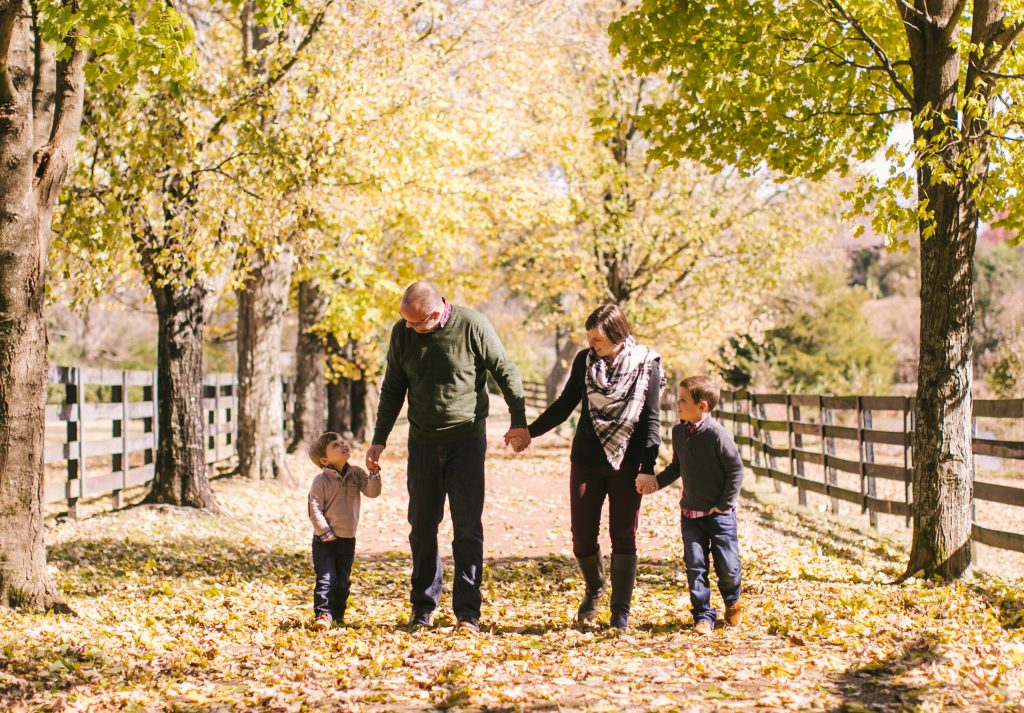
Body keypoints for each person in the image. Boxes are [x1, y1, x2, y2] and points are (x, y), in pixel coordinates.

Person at [366, 280, 530, 633]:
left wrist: (519, 422)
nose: (409, 328)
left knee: (467, 528)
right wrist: (379, 438)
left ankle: (468, 612)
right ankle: (423, 607)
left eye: (416, 322)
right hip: (422, 442)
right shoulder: (403, 333)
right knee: (422, 527)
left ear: (437, 311)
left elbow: (505, 371)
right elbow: (393, 386)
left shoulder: (473, 325)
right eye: (405, 321)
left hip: (466, 440)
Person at [511, 304, 662, 629]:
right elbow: (565, 404)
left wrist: (648, 467)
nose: (592, 344)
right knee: (581, 536)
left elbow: (651, 418)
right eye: (589, 338)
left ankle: (620, 611)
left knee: (623, 535)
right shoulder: (584, 360)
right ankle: (595, 588)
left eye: (597, 339)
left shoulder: (646, 364)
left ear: (617, 335)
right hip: (586, 459)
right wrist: (530, 432)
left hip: (628, 461)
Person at [637, 375, 743, 636]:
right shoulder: (678, 432)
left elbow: (736, 471)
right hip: (691, 515)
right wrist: (656, 483)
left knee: (727, 567)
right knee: (695, 565)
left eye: (683, 400)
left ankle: (732, 600)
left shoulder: (718, 435)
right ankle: (703, 616)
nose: (677, 405)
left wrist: (724, 504)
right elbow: (677, 467)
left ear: (702, 406)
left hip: (720, 516)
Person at [307, 432, 382, 630]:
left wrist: (373, 473)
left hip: (347, 539)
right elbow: (314, 508)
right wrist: (324, 531)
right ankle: (323, 614)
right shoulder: (321, 481)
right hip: (324, 541)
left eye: (342, 442)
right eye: (335, 446)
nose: (342, 445)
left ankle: (338, 615)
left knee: (342, 581)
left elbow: (372, 492)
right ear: (325, 460)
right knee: (325, 579)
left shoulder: (356, 473)